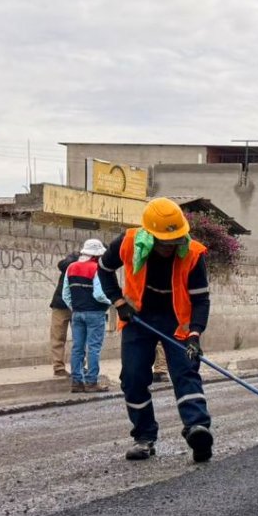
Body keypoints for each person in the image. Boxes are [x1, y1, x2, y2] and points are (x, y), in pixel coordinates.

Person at [98, 197, 215, 463]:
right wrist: (119, 303)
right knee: (133, 377)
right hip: (138, 318)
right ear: (150, 236)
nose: (170, 247)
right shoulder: (128, 243)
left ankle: (197, 429)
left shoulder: (193, 254)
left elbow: (201, 300)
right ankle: (144, 437)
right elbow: (103, 270)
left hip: (176, 320)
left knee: (185, 371)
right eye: (164, 242)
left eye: (175, 241)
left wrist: (195, 334)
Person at [62, 239, 112, 393]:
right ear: (96, 255)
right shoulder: (96, 268)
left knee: (77, 348)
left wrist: (75, 308)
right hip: (95, 313)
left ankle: (76, 383)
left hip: (77, 313)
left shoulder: (71, 267)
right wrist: (111, 302)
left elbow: (65, 295)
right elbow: (99, 294)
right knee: (94, 348)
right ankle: (91, 382)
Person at [48, 249, 80, 377]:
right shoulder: (70, 265)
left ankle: (77, 366)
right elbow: (62, 264)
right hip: (61, 305)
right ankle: (59, 368)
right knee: (59, 337)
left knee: (78, 338)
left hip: (75, 305)